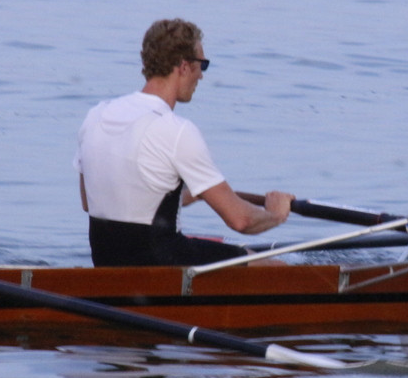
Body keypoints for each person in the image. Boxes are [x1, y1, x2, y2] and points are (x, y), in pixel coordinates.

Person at [75, 18, 293, 267]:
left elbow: (90, 200)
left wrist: (193, 196)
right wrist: (276, 214)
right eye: (203, 65)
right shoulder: (177, 130)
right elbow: (241, 221)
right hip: (164, 267)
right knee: (277, 269)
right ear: (184, 66)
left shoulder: (96, 115)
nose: (201, 75)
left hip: (107, 264)